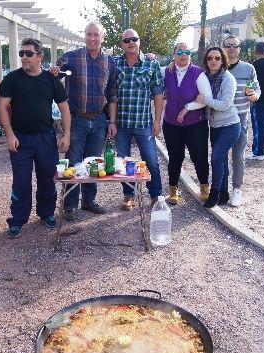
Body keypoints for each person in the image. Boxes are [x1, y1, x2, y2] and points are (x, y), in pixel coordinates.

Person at [0, 38, 71, 239]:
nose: (24, 57)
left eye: (28, 54)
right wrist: (9, 134)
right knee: (21, 181)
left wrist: (66, 134)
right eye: (21, 53)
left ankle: (46, 213)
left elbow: (64, 108)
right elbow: (2, 107)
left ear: (40, 57)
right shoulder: (12, 79)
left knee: (48, 177)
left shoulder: (51, 79)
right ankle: (17, 220)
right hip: (20, 139)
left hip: (46, 138)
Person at [54, 21, 118, 221]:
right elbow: (55, 71)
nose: (92, 38)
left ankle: (89, 201)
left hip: (99, 119)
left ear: (102, 37)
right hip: (77, 120)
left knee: (94, 163)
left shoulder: (110, 62)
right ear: (84, 35)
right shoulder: (72, 57)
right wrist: (55, 70)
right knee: (74, 162)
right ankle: (70, 206)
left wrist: (112, 121)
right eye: (89, 34)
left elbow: (113, 94)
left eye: (96, 35)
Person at [111, 29, 164, 210]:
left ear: (139, 41)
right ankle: (128, 195)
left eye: (134, 39)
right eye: (127, 40)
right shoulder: (115, 63)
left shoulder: (152, 64)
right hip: (122, 124)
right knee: (124, 163)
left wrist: (157, 121)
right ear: (122, 44)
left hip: (144, 124)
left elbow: (158, 95)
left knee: (151, 161)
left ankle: (156, 195)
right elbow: (112, 94)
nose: (131, 42)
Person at [160, 43, 210, 205]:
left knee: (199, 156)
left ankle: (204, 187)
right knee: (175, 157)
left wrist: (187, 109)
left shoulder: (198, 73)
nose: (183, 55)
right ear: (173, 55)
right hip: (171, 124)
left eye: (187, 52)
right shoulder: (166, 71)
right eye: (180, 52)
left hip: (195, 124)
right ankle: (173, 189)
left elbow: (206, 97)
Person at [196, 47, 240, 209]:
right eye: (209, 58)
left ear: (222, 60)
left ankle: (214, 194)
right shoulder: (205, 77)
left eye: (217, 58)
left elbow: (224, 105)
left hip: (230, 125)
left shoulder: (228, 78)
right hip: (214, 126)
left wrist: (205, 99)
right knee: (221, 159)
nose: (213, 61)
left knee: (216, 157)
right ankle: (224, 193)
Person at [222, 36, 260, 206]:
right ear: (223, 48)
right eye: (228, 45)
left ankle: (237, 189)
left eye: (234, 46)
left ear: (239, 49)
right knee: (219, 156)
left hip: (240, 117)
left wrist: (254, 95)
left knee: (237, 155)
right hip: (220, 118)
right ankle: (221, 189)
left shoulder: (248, 68)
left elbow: (256, 89)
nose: (231, 48)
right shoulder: (216, 65)